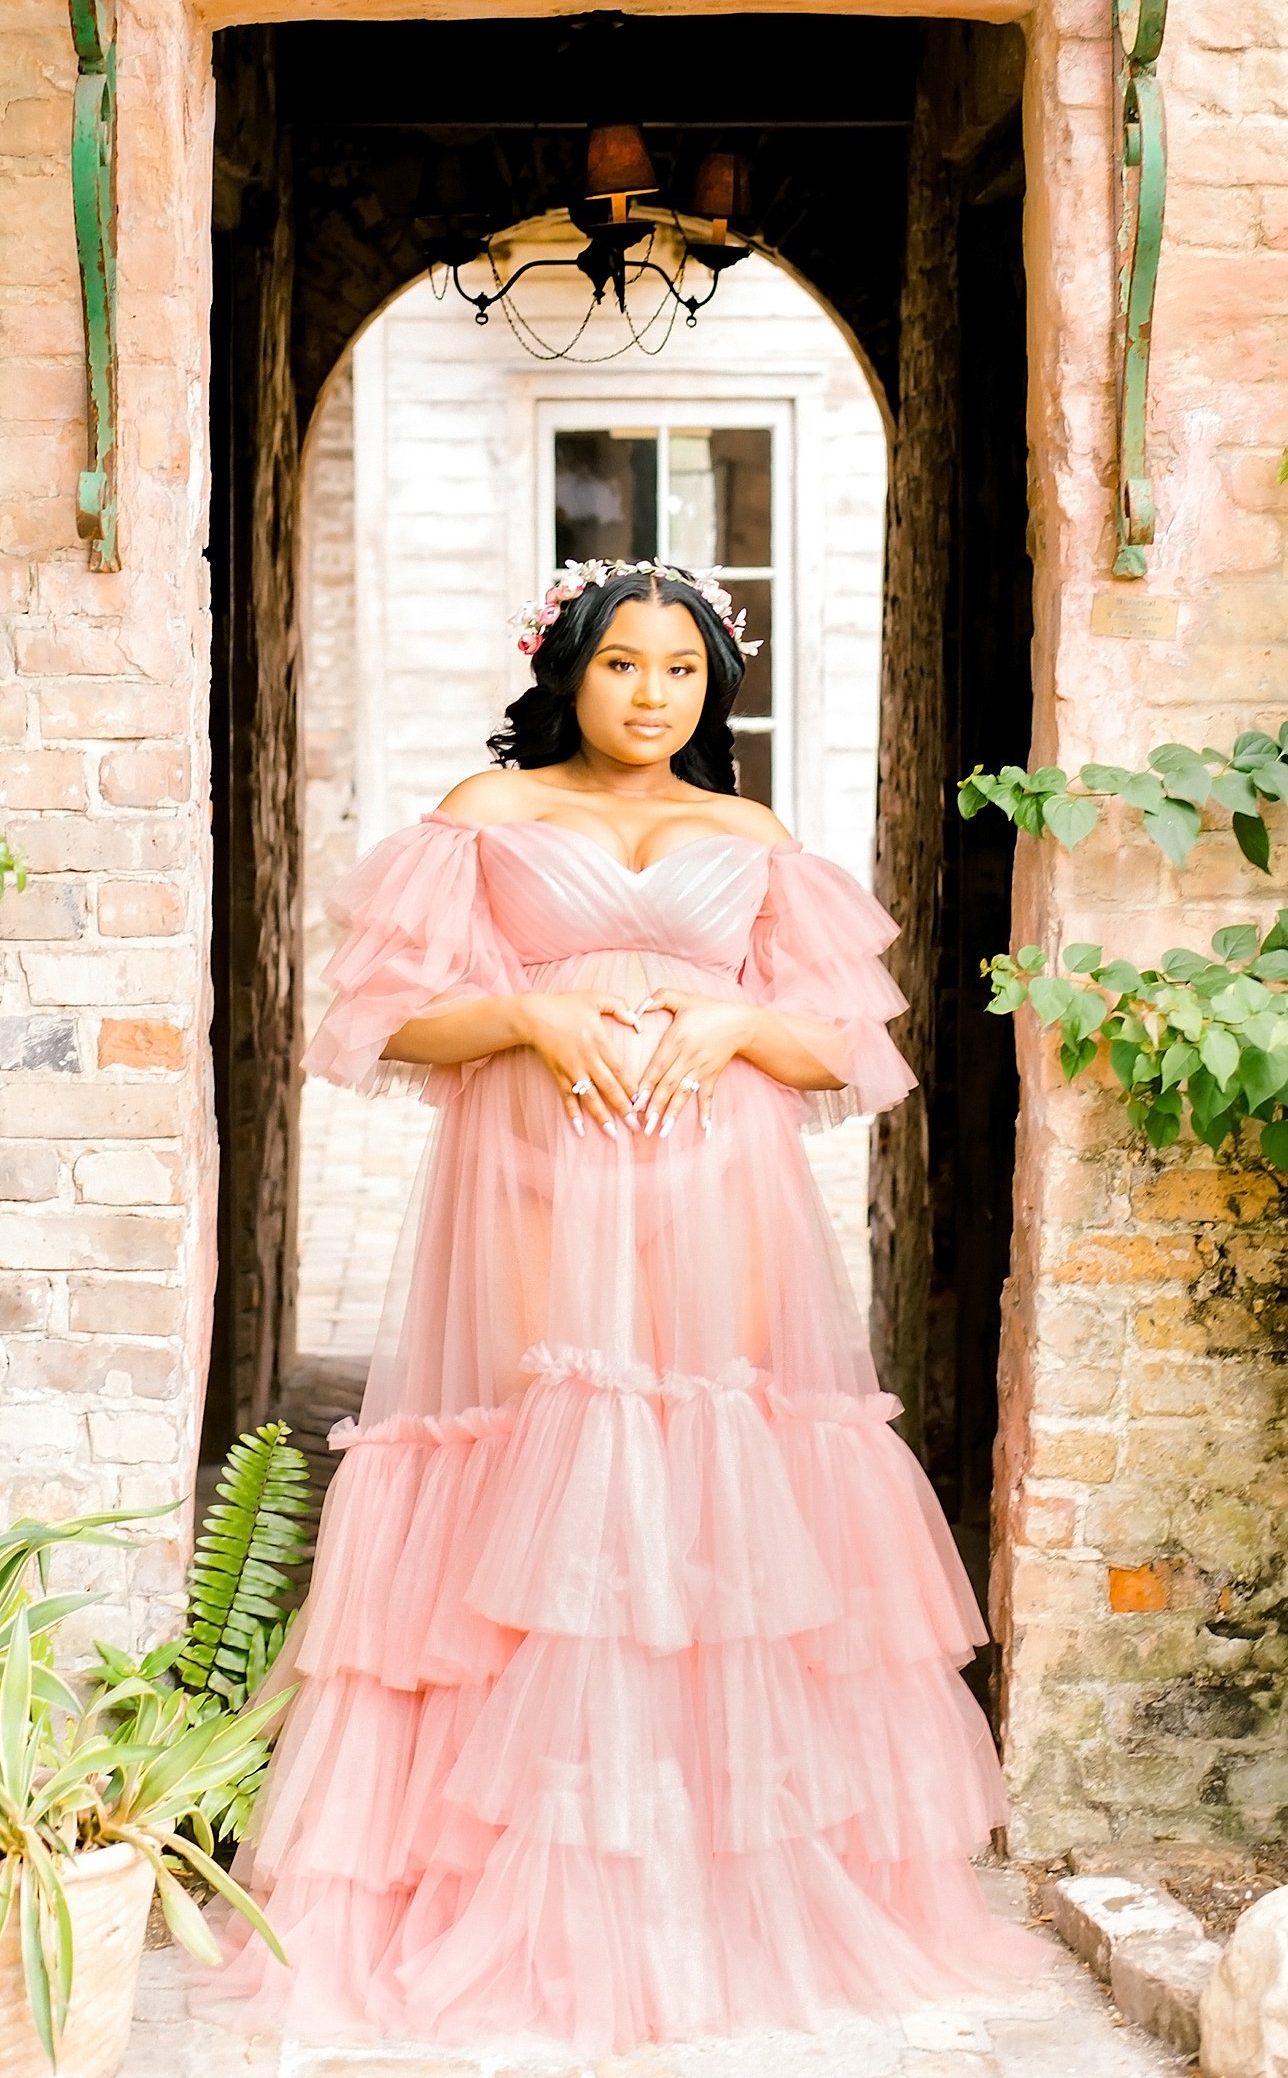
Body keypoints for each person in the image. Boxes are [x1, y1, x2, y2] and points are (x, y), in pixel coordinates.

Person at [196, 559, 1041, 2051]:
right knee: (550, 1482)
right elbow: (381, 1020)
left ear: (714, 688)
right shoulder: (486, 815)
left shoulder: (751, 835)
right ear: (567, 672)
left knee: (710, 1487)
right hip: (531, 1183)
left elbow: (849, 1051)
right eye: (622, 666)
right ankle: (521, 1880)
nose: (652, 695)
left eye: (682, 671)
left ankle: (708, 1886)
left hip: (721, 1194)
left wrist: (735, 1022)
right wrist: (526, 1008)